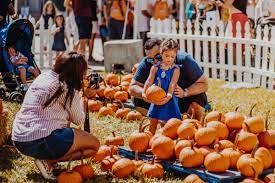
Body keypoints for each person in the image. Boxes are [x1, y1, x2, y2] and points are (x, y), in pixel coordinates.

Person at [12, 52, 100, 180]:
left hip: (20, 139)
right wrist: (83, 97)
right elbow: (79, 120)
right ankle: (49, 162)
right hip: (44, 139)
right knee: (94, 146)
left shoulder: (44, 76)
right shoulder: (68, 87)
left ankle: (47, 159)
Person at [129, 38, 209, 123]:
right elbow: (132, 87)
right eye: (150, 59)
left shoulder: (185, 60)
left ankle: (189, 120)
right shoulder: (147, 63)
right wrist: (147, 94)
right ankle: (161, 119)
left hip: (182, 98)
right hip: (158, 102)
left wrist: (185, 92)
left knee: (199, 97)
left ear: (164, 50)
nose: (154, 61)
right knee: (137, 99)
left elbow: (204, 84)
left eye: (158, 57)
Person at [143, 39, 181, 134]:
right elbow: (149, 80)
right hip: (156, 96)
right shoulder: (155, 67)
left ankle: (167, 139)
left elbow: (172, 83)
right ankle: (150, 138)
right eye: (166, 56)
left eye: (172, 57)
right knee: (153, 119)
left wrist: (169, 95)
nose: (169, 59)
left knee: (169, 123)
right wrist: (144, 92)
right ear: (161, 53)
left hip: (169, 98)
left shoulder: (175, 70)